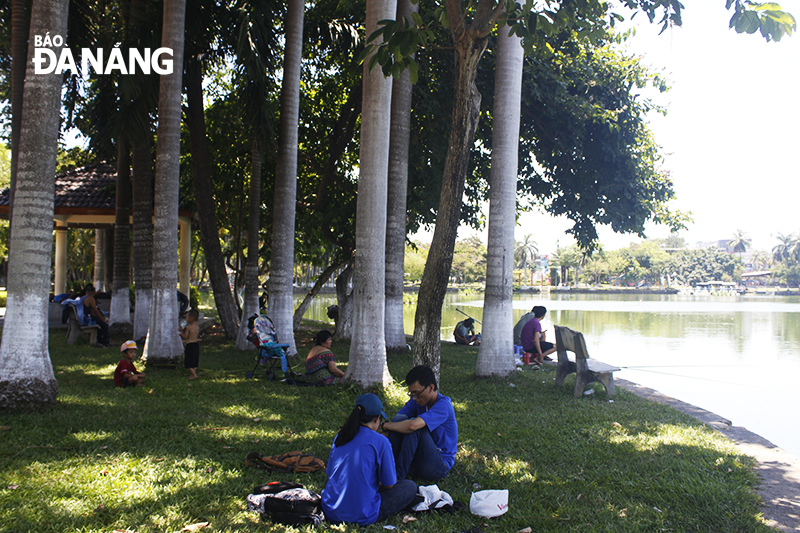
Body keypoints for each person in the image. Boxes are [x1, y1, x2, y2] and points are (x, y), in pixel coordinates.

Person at [321, 394, 417, 525]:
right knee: (409, 486)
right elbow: (389, 484)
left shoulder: (340, 436)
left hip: (330, 510)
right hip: (363, 515)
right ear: (377, 419)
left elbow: (331, 472)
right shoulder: (381, 442)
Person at [383, 365, 458, 482]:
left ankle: (398, 476)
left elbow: (412, 426)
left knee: (416, 427)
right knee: (399, 423)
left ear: (431, 388)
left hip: (438, 465)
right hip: (419, 459)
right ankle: (388, 466)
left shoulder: (444, 405)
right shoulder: (417, 401)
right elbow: (397, 421)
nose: (414, 398)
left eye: (417, 393)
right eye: (411, 394)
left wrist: (385, 425)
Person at [180, 309, 200, 380]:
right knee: (194, 360)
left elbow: (185, 337)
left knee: (188, 361)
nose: (186, 318)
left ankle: (194, 375)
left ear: (191, 318)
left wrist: (181, 331)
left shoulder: (188, 328)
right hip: (196, 344)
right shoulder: (197, 327)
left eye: (187, 317)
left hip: (190, 345)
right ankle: (193, 373)